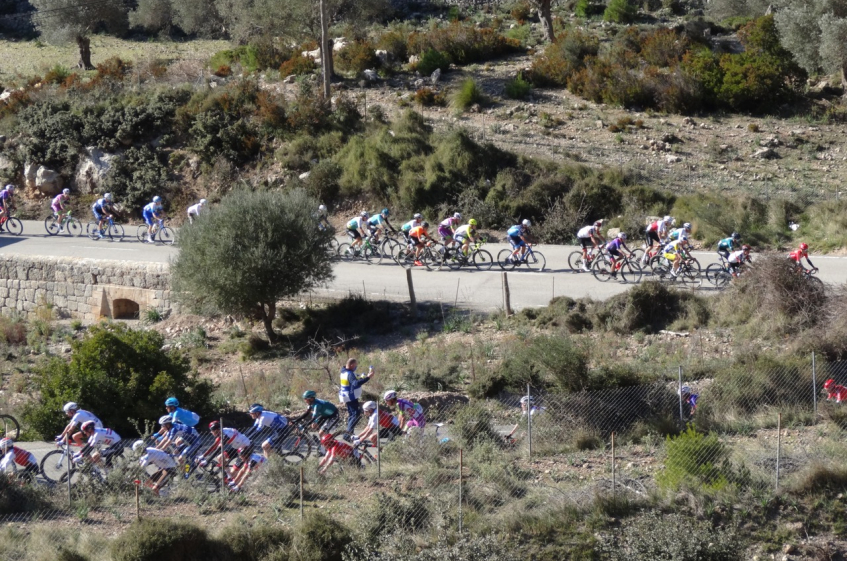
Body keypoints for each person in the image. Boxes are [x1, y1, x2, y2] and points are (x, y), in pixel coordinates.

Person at [339, 358, 374, 433]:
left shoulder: (343, 371)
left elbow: (351, 381)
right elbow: (355, 383)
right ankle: (348, 433)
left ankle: (349, 433)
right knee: (356, 414)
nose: (355, 367)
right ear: (351, 365)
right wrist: (368, 378)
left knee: (352, 415)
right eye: (355, 365)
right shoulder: (349, 373)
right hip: (351, 397)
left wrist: (361, 377)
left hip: (346, 396)